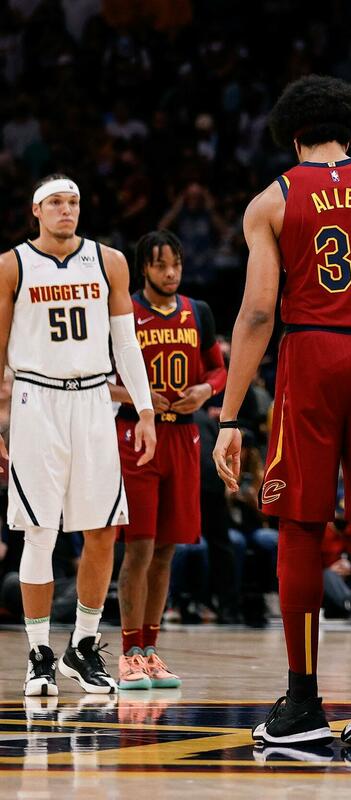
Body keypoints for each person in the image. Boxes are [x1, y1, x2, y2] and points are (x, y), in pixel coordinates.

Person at [211, 76, 351, 748]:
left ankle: (303, 703)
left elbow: (258, 313)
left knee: (300, 527)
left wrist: (229, 418)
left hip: (312, 356)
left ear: (293, 136)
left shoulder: (273, 200)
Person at [0, 174, 157, 696]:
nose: (66, 210)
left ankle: (82, 646)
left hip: (93, 400)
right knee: (40, 531)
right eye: (56, 203)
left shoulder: (109, 261)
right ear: (36, 210)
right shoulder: (12, 265)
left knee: (103, 529)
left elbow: (126, 343)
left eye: (73, 202)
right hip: (35, 399)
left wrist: (146, 409)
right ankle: (39, 654)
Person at [110, 230, 227, 690]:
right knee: (138, 547)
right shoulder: (124, 311)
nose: (171, 272)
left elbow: (218, 369)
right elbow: (99, 378)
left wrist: (206, 390)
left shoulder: (198, 312)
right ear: (144, 268)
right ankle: (128, 653)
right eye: (161, 264)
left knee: (166, 549)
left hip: (183, 436)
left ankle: (150, 649)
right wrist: (137, 397)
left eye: (175, 263)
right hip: (136, 434)